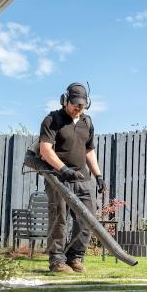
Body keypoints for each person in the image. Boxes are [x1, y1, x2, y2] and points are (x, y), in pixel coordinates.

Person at [38, 82, 106, 273]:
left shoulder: (87, 122)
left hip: (82, 178)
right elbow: (45, 149)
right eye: (75, 104)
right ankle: (57, 261)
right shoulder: (53, 119)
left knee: (87, 219)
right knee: (59, 218)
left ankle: (75, 257)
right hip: (58, 178)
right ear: (65, 100)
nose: (78, 108)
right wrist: (63, 168)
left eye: (82, 105)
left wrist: (98, 175)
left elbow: (89, 150)